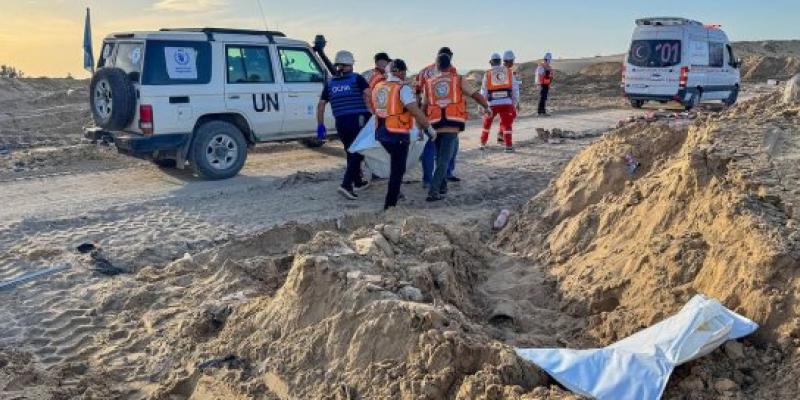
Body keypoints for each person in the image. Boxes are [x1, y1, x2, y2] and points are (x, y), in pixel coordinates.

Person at [423, 52, 490, 202]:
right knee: (444, 160)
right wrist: (486, 106)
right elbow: (475, 95)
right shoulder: (458, 80)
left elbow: (423, 105)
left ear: (437, 66)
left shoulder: (429, 82)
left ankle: (442, 186)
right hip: (451, 125)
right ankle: (433, 191)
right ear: (450, 65)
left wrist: (423, 126)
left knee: (439, 157)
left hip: (435, 125)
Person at [373, 59, 436, 210]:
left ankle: (394, 197)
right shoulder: (402, 89)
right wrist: (428, 128)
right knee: (397, 171)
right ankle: (390, 205)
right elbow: (415, 110)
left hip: (381, 132)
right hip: (397, 134)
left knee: (396, 168)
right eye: (404, 72)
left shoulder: (379, 87)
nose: (405, 75)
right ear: (400, 72)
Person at [317, 50, 372, 200]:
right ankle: (346, 185)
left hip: (340, 123)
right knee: (359, 151)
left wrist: (320, 126)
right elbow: (369, 94)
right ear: (349, 65)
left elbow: (321, 105)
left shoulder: (330, 84)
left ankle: (358, 181)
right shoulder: (357, 79)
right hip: (357, 119)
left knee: (350, 151)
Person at [417, 47, 459, 186]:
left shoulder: (423, 71)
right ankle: (446, 174)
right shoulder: (451, 70)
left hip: (428, 114)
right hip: (447, 115)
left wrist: (419, 115)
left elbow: (417, 93)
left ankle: (427, 179)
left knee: (429, 147)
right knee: (450, 145)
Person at [480, 51, 520, 153]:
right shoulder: (509, 72)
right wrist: (514, 103)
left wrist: (483, 105)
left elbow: (484, 91)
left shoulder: (487, 74)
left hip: (491, 104)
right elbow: (515, 90)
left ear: (490, 62)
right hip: (506, 103)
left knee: (486, 124)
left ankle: (482, 143)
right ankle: (508, 146)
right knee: (507, 125)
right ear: (500, 61)